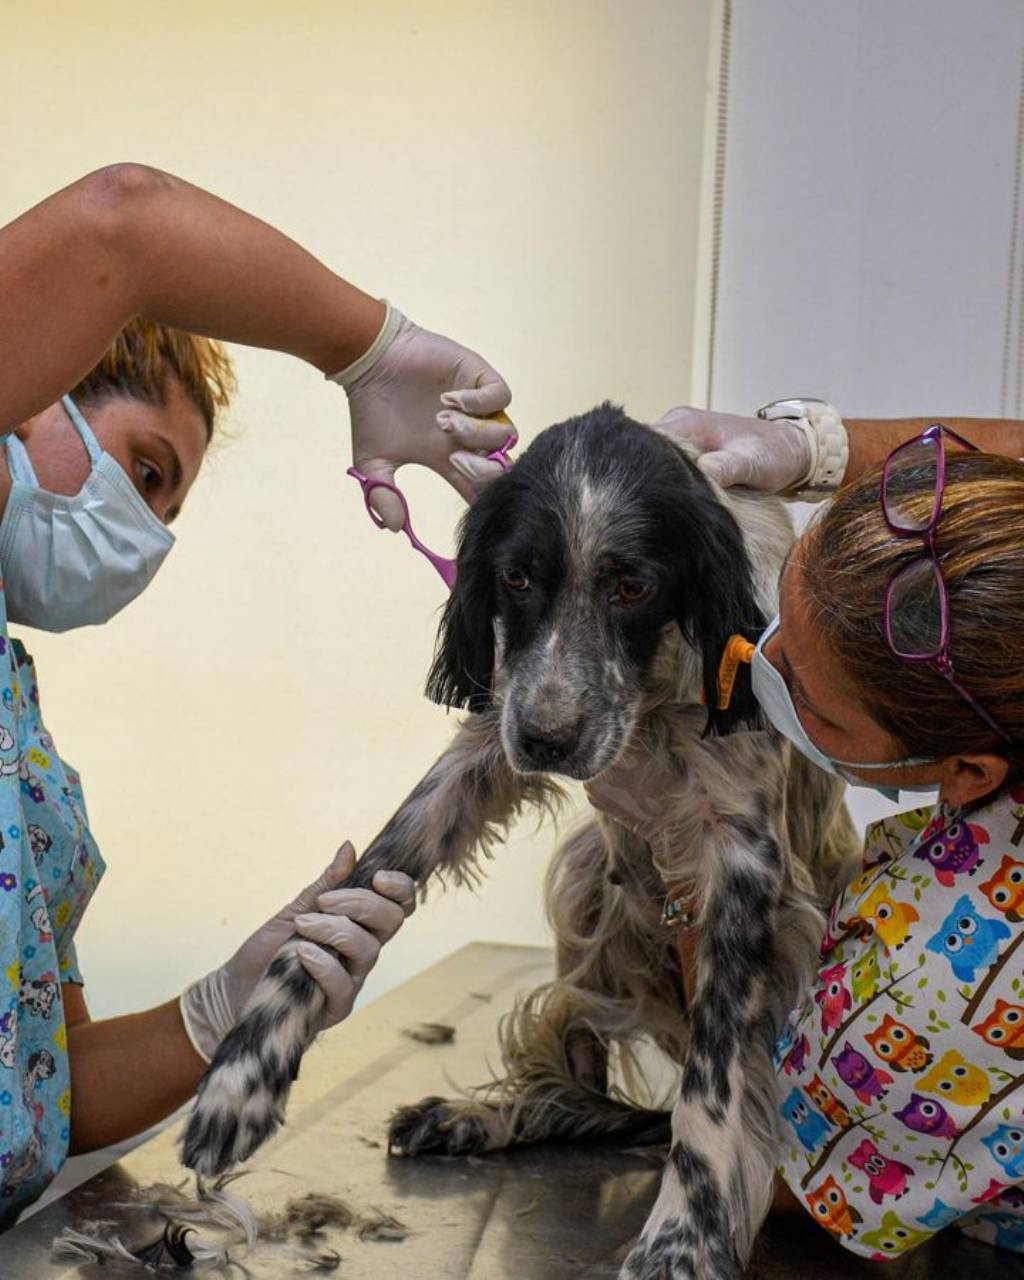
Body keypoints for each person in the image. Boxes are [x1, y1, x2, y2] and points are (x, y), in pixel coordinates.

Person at [0, 163, 514, 1223]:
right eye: (142, 471)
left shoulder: (26, 755)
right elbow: (126, 220)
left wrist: (226, 1004)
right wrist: (366, 351)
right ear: (37, 380)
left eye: (165, 505)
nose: (140, 534)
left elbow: (47, 1091)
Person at [588, 413, 1024, 1258]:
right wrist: (817, 447)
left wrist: (682, 867)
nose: (757, 665)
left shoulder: (942, 990)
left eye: (812, 701)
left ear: (969, 773)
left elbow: (789, 1177)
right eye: (774, 615)